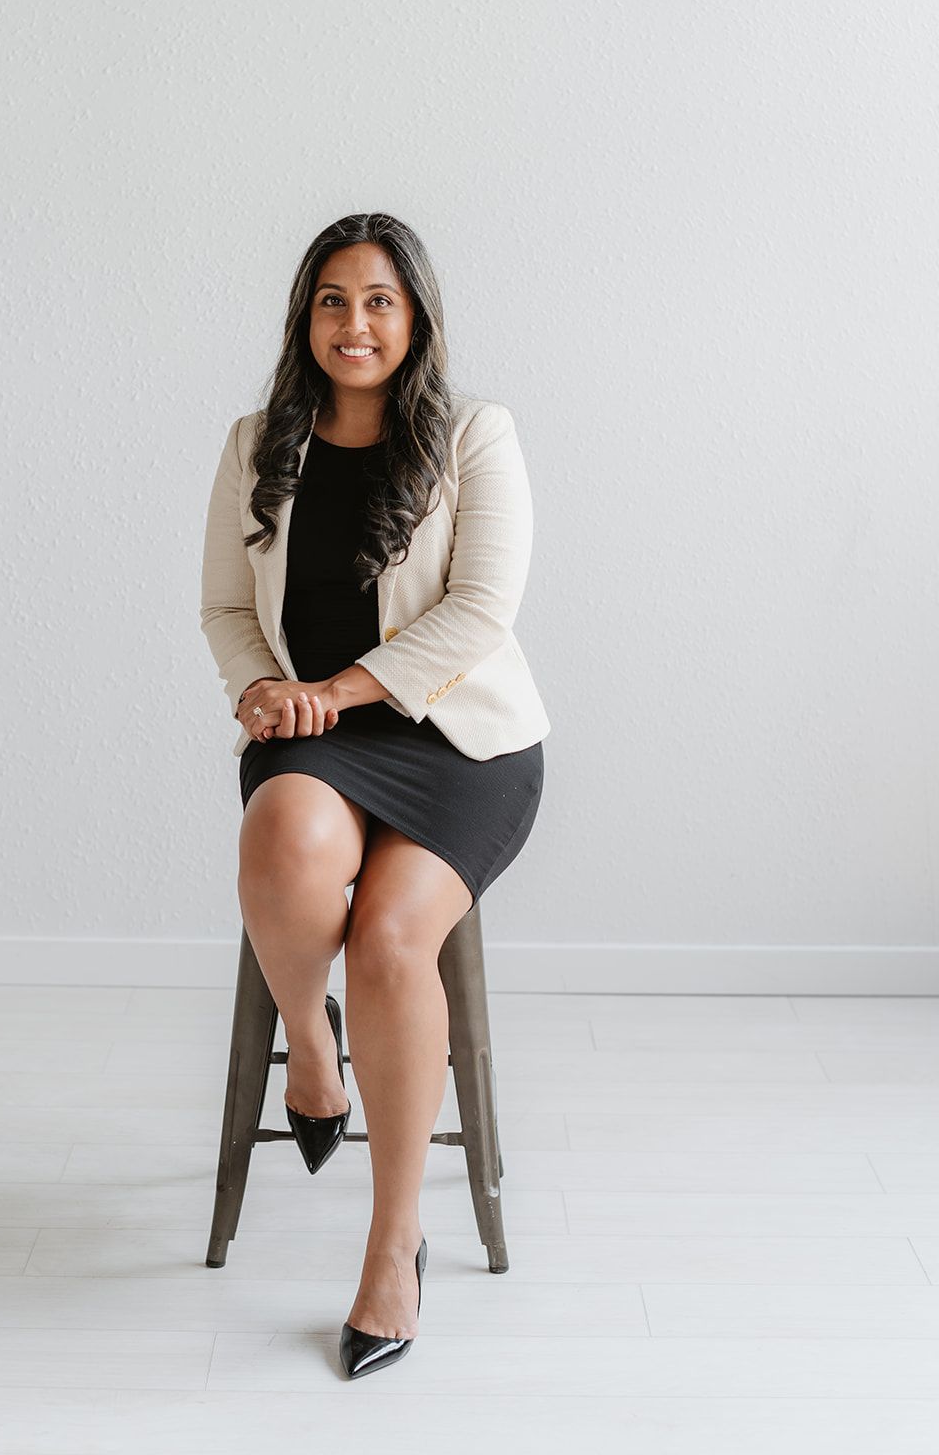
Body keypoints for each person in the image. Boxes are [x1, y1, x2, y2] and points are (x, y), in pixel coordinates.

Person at [199, 211, 551, 1379]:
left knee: (394, 942)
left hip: (461, 746)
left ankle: (392, 1245)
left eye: (380, 301)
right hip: (315, 736)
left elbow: (480, 609)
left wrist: (334, 690)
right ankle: (312, 1052)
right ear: (306, 318)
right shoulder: (259, 440)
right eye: (334, 301)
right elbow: (227, 610)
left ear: (417, 318)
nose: (357, 323)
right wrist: (263, 692)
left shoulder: (472, 437)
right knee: (282, 834)